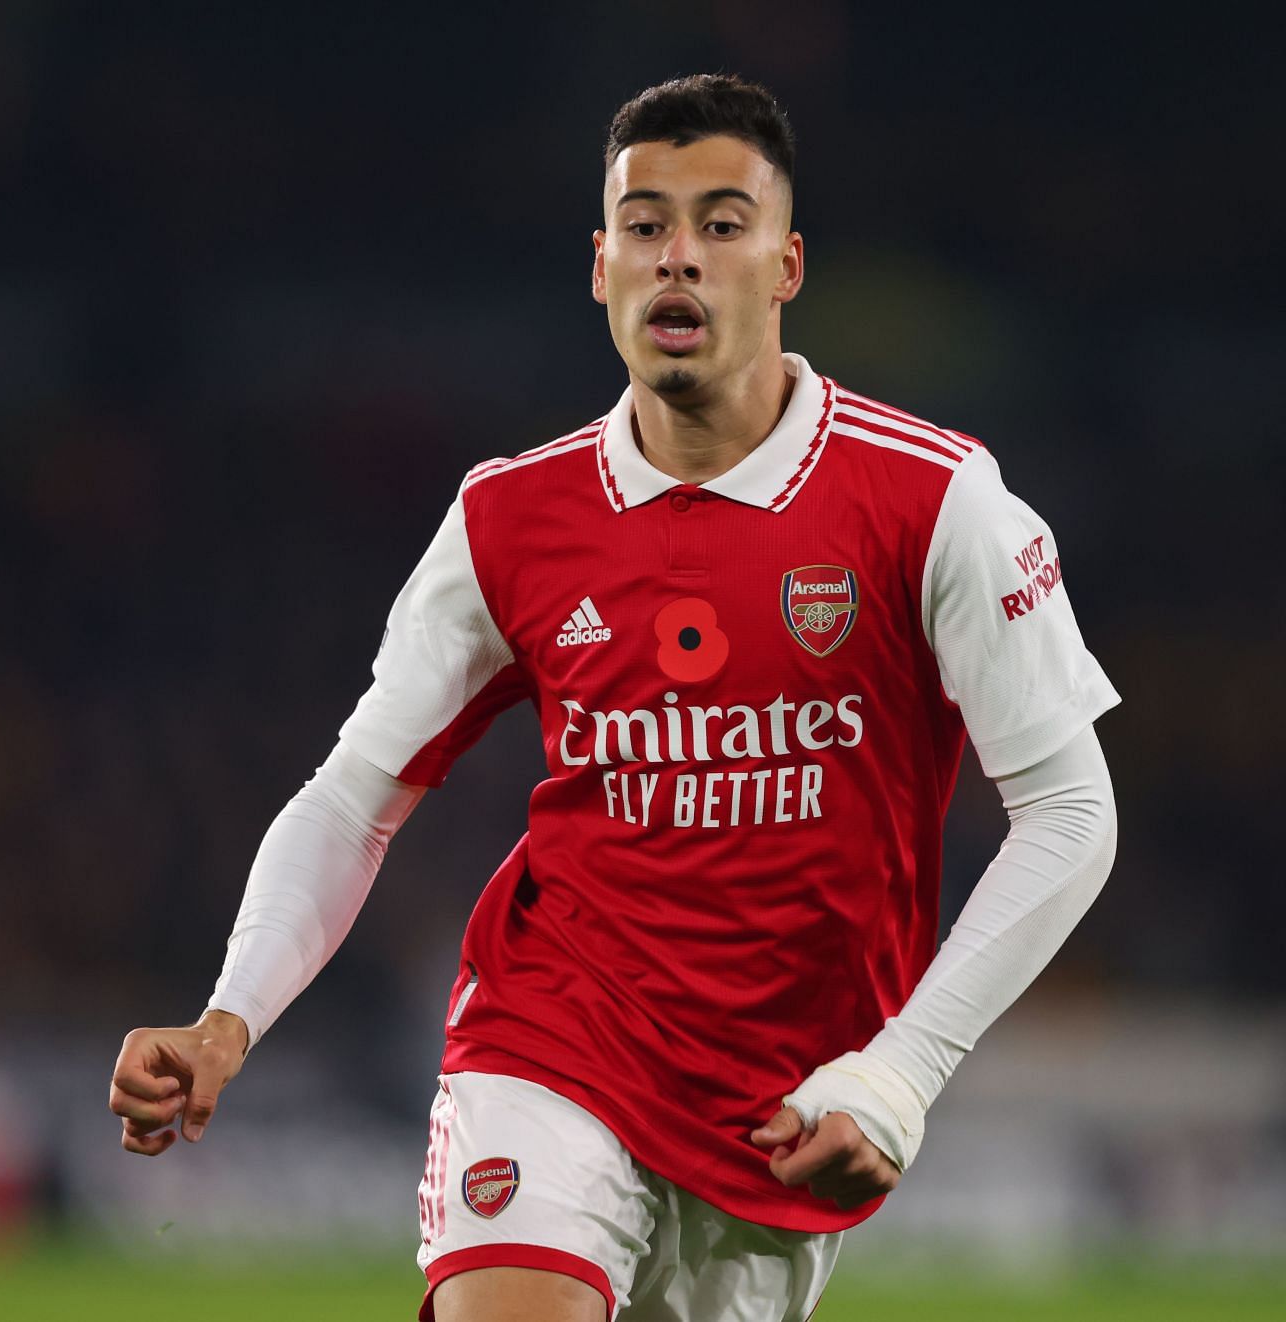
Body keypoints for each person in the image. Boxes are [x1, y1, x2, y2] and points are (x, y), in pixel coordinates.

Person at [109, 73, 1120, 1322]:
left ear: (787, 265)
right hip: (555, 1038)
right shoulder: (510, 519)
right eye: (644, 226)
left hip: (782, 1109)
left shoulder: (935, 501)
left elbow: (1072, 807)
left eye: (721, 223)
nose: (677, 257)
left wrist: (902, 1070)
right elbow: (355, 798)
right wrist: (226, 1020)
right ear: (601, 267)